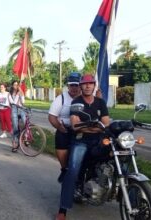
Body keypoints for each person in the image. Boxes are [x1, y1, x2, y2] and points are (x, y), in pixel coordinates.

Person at [55, 74, 110, 220]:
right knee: (72, 170)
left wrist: (95, 128)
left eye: (90, 83)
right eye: (84, 84)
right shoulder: (76, 102)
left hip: (98, 140)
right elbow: (75, 125)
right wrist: (96, 128)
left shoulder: (100, 102)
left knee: (117, 155)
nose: (87, 86)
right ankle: (63, 209)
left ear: (94, 86)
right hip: (81, 141)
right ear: (81, 86)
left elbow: (106, 123)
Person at [48, 72, 81, 182]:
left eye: (77, 85)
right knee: (60, 141)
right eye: (72, 85)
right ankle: (64, 168)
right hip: (65, 128)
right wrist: (60, 128)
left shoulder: (85, 97)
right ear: (68, 86)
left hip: (83, 129)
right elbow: (52, 117)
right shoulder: (61, 98)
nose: (74, 88)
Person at [8, 80, 26, 152]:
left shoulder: (20, 92)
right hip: (14, 109)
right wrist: (17, 95)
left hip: (21, 109)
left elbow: (23, 102)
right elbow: (13, 103)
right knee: (15, 128)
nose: (16, 86)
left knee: (25, 123)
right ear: (12, 85)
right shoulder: (10, 94)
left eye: (17, 85)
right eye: (14, 85)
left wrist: (21, 94)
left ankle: (24, 138)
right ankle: (14, 143)